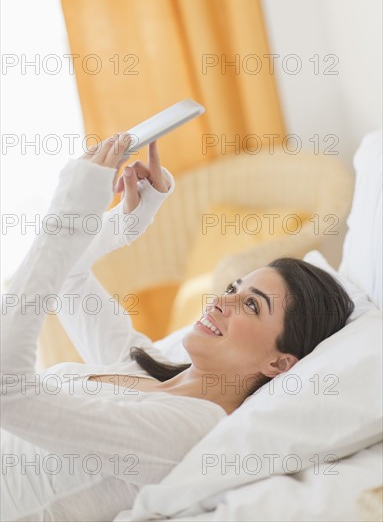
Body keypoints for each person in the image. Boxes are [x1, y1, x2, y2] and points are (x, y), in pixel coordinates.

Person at [1, 133, 354, 522]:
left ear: (279, 364)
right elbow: (70, 278)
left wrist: (70, 210)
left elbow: (7, 389)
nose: (222, 300)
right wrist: (125, 223)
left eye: (252, 305)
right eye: (234, 288)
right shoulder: (150, 367)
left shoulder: (185, 430)